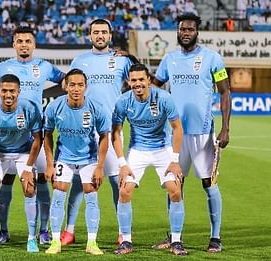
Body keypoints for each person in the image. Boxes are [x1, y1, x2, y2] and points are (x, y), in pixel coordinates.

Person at [151, 13, 231, 253]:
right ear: (177, 31)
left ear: (197, 31)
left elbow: (225, 92)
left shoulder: (212, 58)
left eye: (190, 29)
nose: (186, 33)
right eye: (182, 29)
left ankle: (215, 237)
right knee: (175, 184)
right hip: (176, 134)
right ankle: (175, 237)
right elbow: (154, 84)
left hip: (204, 134)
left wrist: (226, 128)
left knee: (209, 183)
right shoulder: (170, 59)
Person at [0, 26, 65, 245]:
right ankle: (3, 230)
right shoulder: (5, 67)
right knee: (5, 181)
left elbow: (65, 81)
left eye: (28, 41)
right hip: (8, 134)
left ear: (34, 44)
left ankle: (44, 230)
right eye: (19, 41)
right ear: (14, 45)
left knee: (39, 182)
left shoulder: (44, 66)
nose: (24, 45)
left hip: (35, 134)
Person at [62, 18, 135, 245]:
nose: (100, 35)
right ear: (90, 36)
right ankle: (69, 230)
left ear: (110, 35)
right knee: (77, 182)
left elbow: (141, 80)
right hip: (83, 129)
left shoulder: (120, 61)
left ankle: (124, 232)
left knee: (116, 181)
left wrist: (131, 57)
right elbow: (68, 87)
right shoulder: (80, 60)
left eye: (104, 32)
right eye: (96, 32)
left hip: (112, 129)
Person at [111, 63, 187, 256]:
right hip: (138, 150)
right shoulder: (123, 101)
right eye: (133, 80)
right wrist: (122, 163)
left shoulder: (164, 98)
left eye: (141, 79)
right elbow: (116, 133)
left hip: (163, 149)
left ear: (149, 80)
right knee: (125, 191)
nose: (137, 84)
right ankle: (126, 241)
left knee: (175, 190)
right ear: (129, 82)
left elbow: (177, 128)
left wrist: (175, 159)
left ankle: (176, 241)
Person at [43, 69, 109, 255]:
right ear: (65, 86)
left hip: (89, 158)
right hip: (64, 157)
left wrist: (100, 166)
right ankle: (55, 241)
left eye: (80, 85)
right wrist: (50, 164)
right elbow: (47, 135)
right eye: (72, 84)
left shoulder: (96, 107)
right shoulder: (54, 107)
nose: (76, 89)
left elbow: (105, 137)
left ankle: (92, 243)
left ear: (85, 87)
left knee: (92, 197)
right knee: (58, 196)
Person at [0, 74, 43, 253]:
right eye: (4, 90)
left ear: (18, 92)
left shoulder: (29, 108)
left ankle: (31, 239)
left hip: (24, 151)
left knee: (29, 188)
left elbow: (38, 139)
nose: (8, 95)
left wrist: (29, 168)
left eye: (12, 91)